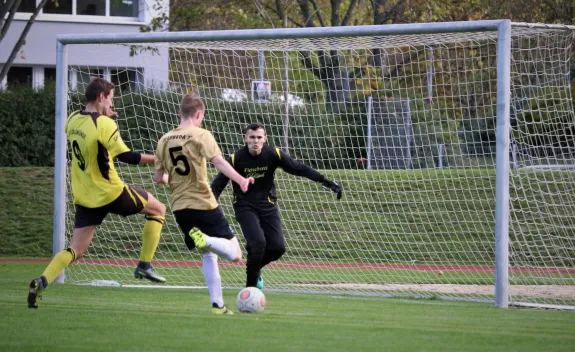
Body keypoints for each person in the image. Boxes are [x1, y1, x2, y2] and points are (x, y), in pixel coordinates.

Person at [28, 78, 167, 309]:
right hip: (110, 191)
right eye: (111, 99)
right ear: (102, 97)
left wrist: (104, 118)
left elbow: (89, 135)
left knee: (76, 249)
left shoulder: (72, 119)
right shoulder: (104, 124)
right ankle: (144, 264)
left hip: (85, 196)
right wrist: (159, 159)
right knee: (158, 209)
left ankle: (41, 280)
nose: (112, 104)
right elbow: (127, 157)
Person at [153, 94, 253, 315]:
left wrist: (177, 181)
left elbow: (158, 178)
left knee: (208, 255)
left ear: (180, 113)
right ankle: (205, 238)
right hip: (203, 202)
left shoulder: (164, 140)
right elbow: (218, 162)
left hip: (180, 207)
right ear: (199, 114)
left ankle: (218, 305)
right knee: (235, 254)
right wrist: (241, 180)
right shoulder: (201, 134)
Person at [211, 123, 343, 290]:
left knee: (277, 248)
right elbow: (217, 185)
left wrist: (326, 182)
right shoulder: (236, 158)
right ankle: (250, 290)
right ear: (245, 139)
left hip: (268, 206)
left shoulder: (273, 154)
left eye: (259, 137)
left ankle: (255, 266)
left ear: (265, 139)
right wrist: (208, 207)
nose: (255, 141)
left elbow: (298, 168)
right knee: (258, 242)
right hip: (245, 206)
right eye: (252, 137)